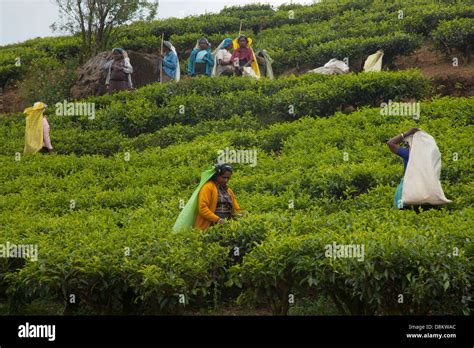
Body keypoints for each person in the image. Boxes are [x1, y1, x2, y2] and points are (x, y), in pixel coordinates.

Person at [195, 164, 242, 230]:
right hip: (210, 225)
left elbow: (236, 208)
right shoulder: (208, 187)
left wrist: (240, 214)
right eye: (223, 177)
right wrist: (218, 219)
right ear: (217, 176)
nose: (226, 180)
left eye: (228, 178)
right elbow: (202, 208)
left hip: (226, 224)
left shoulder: (228, 191)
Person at [386, 127, 420, 208]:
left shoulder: (409, 155)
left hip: (409, 189)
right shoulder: (426, 156)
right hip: (423, 189)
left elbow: (390, 143)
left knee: (403, 210)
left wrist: (406, 133)